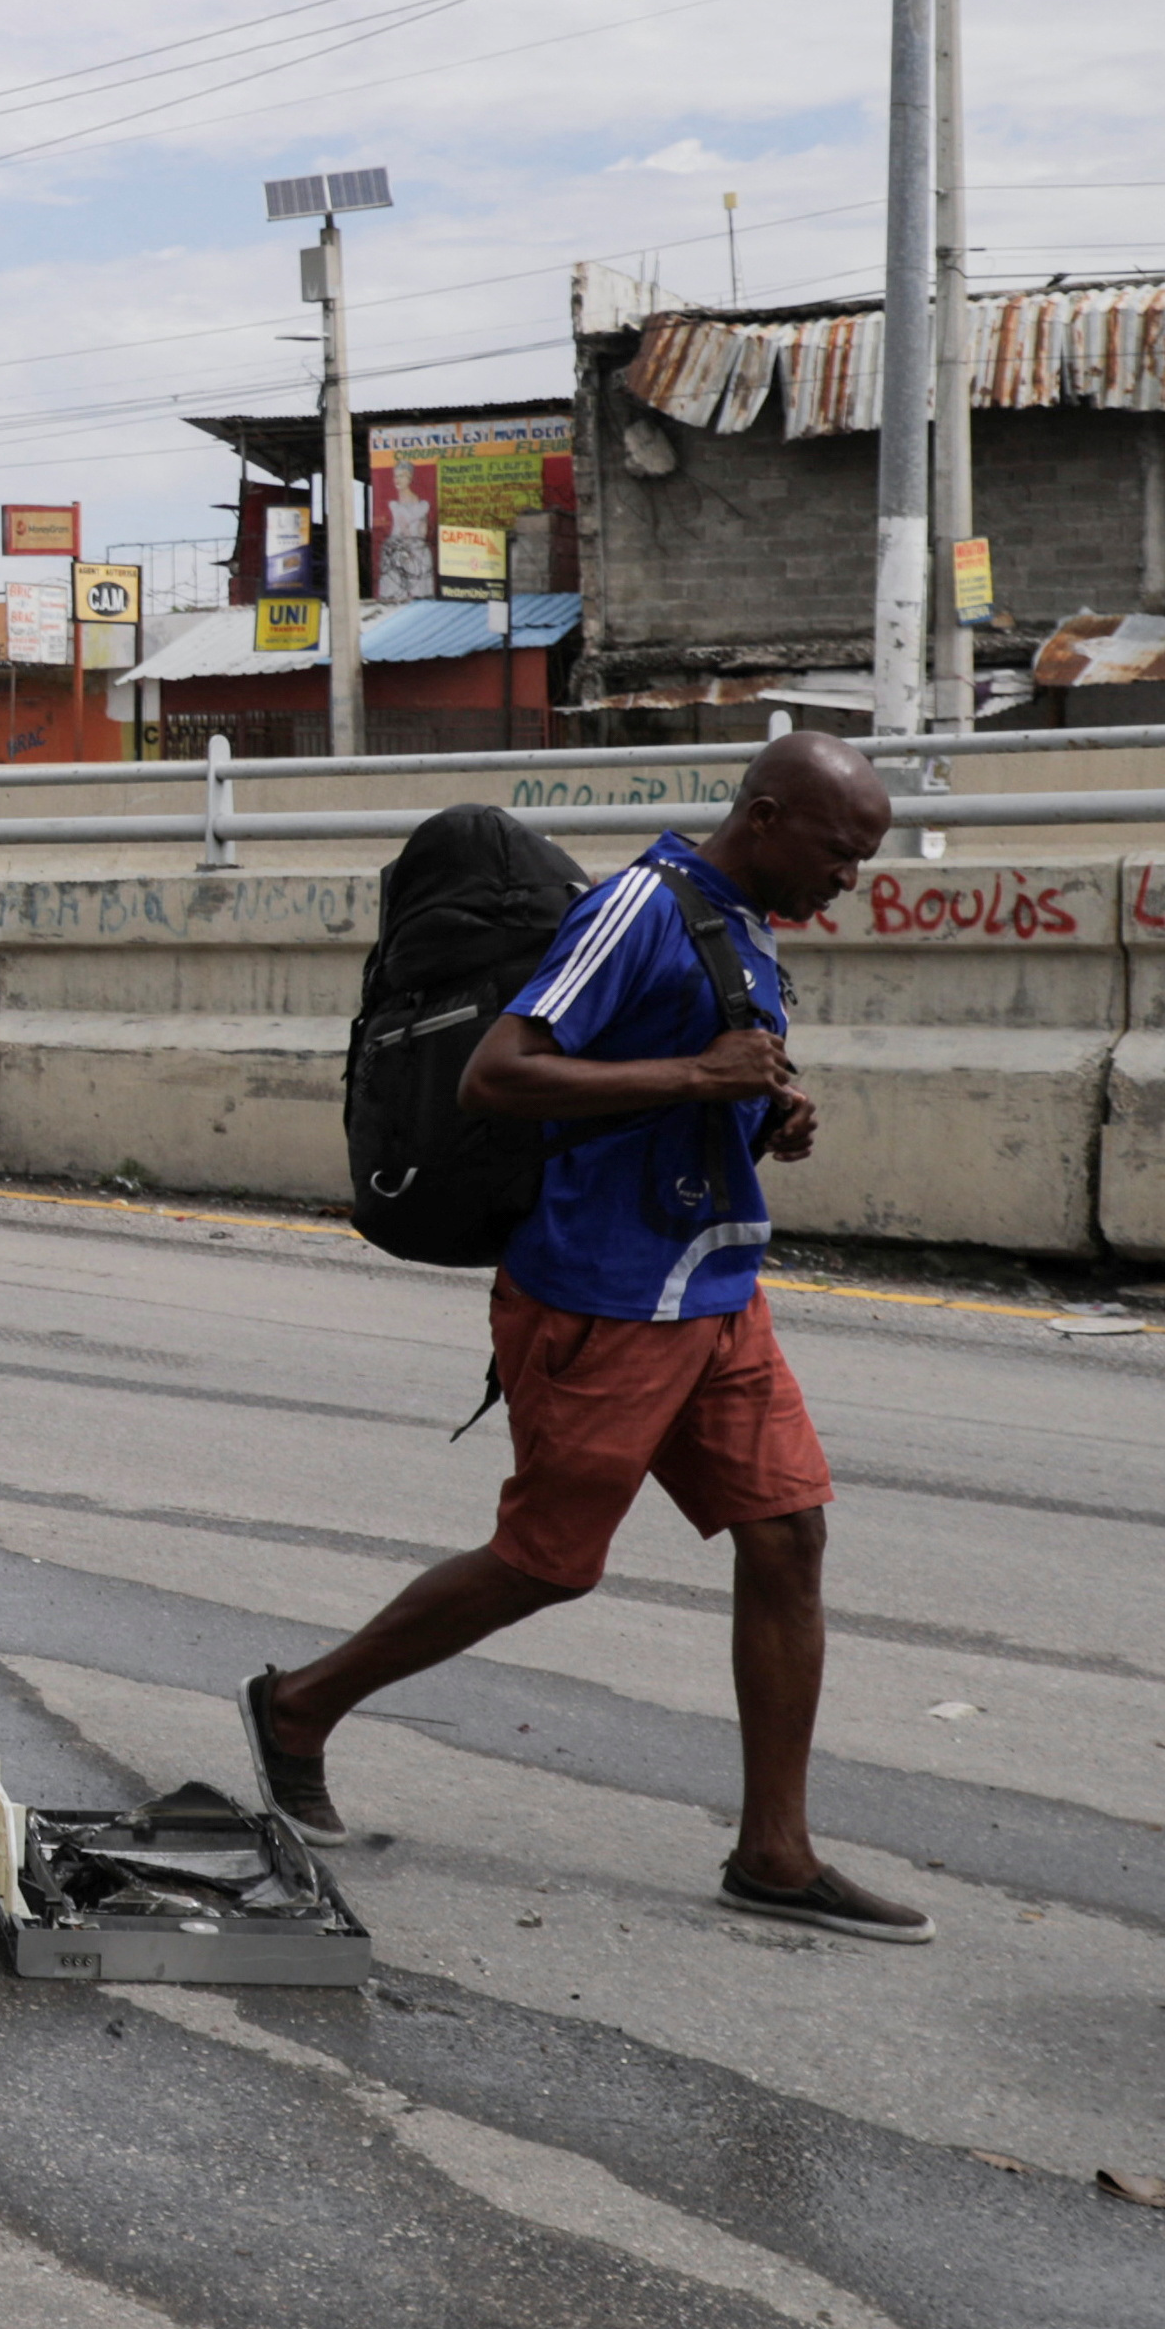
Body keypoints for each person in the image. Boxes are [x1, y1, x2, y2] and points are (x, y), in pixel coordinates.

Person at [243, 730, 928, 1942]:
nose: (849, 878)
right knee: (548, 1561)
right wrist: (695, 1079)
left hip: (713, 1286)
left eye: (863, 858)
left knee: (788, 1538)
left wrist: (760, 1113)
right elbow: (499, 1076)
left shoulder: (751, 918)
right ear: (765, 816)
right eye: (839, 850)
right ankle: (299, 1705)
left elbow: (691, 1080)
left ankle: (774, 1850)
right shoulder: (636, 908)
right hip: (600, 1296)